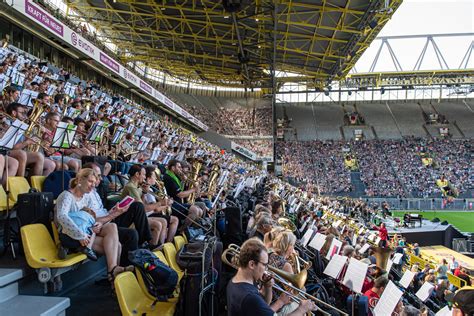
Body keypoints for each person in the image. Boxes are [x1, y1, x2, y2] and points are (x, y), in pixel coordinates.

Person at [55, 168, 130, 288]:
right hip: (70, 235)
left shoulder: (87, 197)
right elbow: (62, 217)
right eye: (90, 182)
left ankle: (112, 273)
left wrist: (99, 223)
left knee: (112, 226)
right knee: (118, 246)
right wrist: (80, 235)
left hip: (87, 232)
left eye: (94, 183)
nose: (92, 186)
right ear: (79, 179)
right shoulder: (66, 196)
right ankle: (114, 280)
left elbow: (91, 219)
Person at [226, 238, 316, 316]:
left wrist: (268, 287)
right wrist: (301, 309)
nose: (266, 269)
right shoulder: (250, 297)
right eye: (265, 265)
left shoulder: (235, 281)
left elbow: (264, 305)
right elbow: (258, 304)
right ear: (252, 264)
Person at [83, 162, 139, 266]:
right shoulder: (84, 194)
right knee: (130, 234)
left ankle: (117, 274)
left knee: (136, 208)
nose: (100, 179)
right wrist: (113, 215)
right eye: (97, 176)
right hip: (98, 226)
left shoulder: (94, 192)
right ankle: (122, 270)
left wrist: (114, 211)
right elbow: (91, 221)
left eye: (99, 176)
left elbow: (102, 212)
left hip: (106, 221)